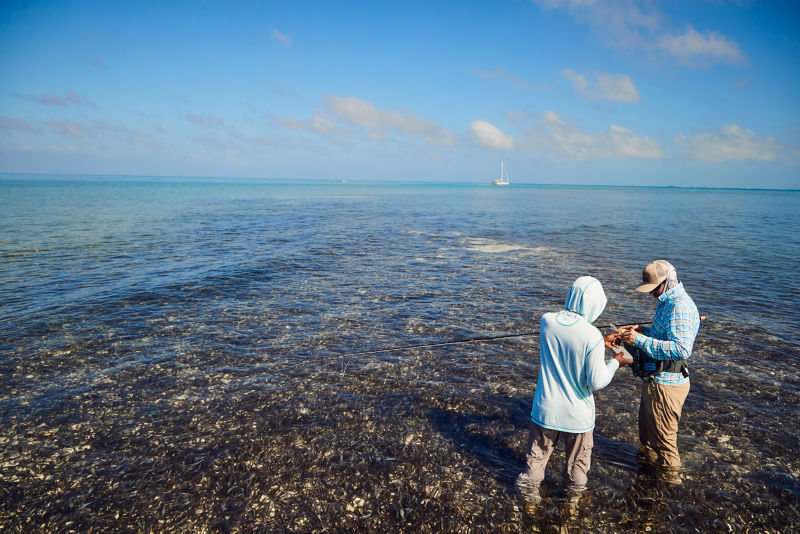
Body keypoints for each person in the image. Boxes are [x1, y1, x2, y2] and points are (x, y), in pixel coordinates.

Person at [516, 276, 630, 506]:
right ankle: (572, 507)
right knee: (576, 469)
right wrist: (616, 362)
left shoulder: (546, 321)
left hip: (545, 411)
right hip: (578, 418)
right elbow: (597, 381)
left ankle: (529, 505)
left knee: (535, 463)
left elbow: (569, 338)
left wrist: (600, 340)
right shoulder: (592, 336)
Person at [617, 260, 700, 475]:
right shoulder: (667, 301)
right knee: (647, 441)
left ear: (667, 281)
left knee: (665, 446)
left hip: (667, 386)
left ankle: (670, 492)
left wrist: (639, 340)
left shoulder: (679, 306)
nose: (651, 293)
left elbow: (682, 349)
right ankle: (648, 483)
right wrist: (642, 329)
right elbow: (665, 334)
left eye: (654, 288)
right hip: (656, 381)